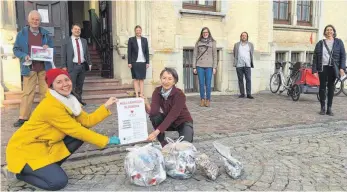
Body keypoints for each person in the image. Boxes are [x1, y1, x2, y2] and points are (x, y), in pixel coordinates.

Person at [4, 68, 121, 190]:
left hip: (45, 147)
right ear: (52, 86)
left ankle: (49, 167)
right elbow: (76, 130)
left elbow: (87, 121)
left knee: (78, 137)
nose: (65, 84)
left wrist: (106, 106)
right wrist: (106, 140)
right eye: (58, 82)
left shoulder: (69, 100)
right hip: (25, 150)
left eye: (66, 80)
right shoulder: (50, 105)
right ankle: (18, 174)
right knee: (58, 182)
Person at [12, 10, 54, 127]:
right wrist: (23, 56)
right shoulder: (22, 33)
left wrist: (48, 47)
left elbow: (51, 48)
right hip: (29, 67)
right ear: (29, 20)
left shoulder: (45, 33)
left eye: (37, 20)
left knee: (45, 93)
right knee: (27, 93)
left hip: (43, 67)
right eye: (33, 19)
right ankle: (23, 117)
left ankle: (45, 116)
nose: (35, 21)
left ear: (40, 21)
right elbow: (16, 49)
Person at [144, 68, 194, 147]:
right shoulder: (157, 91)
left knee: (185, 146)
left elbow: (172, 115)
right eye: (164, 78)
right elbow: (153, 112)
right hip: (169, 122)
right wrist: (146, 103)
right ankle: (162, 142)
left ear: (174, 81)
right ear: (161, 79)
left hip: (183, 121)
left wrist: (155, 132)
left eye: (170, 79)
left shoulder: (180, 94)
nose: (166, 81)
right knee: (154, 116)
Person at [312, 24, 346, 116]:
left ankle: (329, 108)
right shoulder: (320, 43)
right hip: (322, 67)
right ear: (325, 32)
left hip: (333, 68)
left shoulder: (339, 42)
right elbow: (315, 57)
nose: (329, 31)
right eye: (327, 30)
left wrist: (342, 68)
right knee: (322, 87)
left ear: (334, 32)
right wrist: (314, 70)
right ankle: (323, 107)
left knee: (331, 87)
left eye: (331, 30)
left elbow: (343, 56)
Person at [62, 23, 92, 106]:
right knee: (71, 85)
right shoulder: (67, 41)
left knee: (80, 85)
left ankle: (79, 101)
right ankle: (70, 102)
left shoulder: (84, 41)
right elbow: (63, 54)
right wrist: (64, 66)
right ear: (72, 30)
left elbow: (87, 53)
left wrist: (89, 63)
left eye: (79, 29)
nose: (77, 31)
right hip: (72, 66)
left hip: (82, 66)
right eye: (75, 29)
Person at [193, 27, 217, 107]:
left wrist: (214, 67)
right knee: (201, 83)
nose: (205, 33)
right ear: (201, 34)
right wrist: (194, 67)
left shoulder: (213, 42)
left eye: (206, 32)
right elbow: (194, 55)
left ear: (209, 33)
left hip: (209, 66)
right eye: (203, 32)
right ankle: (202, 99)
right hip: (200, 65)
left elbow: (215, 55)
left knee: (208, 83)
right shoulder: (198, 42)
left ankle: (208, 99)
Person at [127, 25, 150, 97]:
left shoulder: (145, 40)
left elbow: (147, 51)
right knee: (136, 79)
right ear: (135, 31)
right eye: (137, 30)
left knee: (142, 79)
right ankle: (137, 94)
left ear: (141, 31)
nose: (138, 31)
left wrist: (147, 62)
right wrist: (129, 62)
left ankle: (141, 94)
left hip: (143, 62)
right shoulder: (131, 40)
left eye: (139, 30)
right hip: (134, 62)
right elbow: (129, 52)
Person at [233, 32, 255, 99]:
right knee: (240, 79)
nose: (244, 37)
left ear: (247, 37)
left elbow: (251, 53)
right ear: (240, 37)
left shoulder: (250, 45)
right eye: (242, 35)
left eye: (245, 36)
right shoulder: (236, 45)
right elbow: (234, 53)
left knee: (248, 79)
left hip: (247, 65)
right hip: (239, 65)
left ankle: (249, 94)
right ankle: (242, 93)